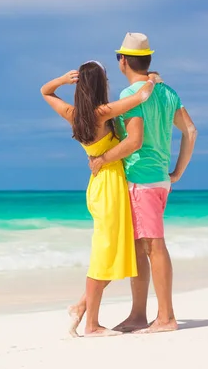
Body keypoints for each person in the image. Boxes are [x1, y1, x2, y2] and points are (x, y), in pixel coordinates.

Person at [40, 60, 161, 337]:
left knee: (112, 250)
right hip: (109, 184)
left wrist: (60, 79)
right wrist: (152, 78)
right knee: (104, 254)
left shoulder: (73, 113)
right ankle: (91, 324)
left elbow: (45, 92)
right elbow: (141, 96)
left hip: (98, 185)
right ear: (100, 84)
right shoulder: (101, 112)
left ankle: (83, 306)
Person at [89, 33, 198, 333]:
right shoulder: (167, 92)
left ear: (123, 60)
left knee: (153, 246)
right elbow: (191, 131)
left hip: (141, 180)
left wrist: (103, 159)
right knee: (140, 248)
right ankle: (139, 315)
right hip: (160, 180)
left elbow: (134, 142)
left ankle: (165, 318)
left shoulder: (132, 94)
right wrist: (176, 172)